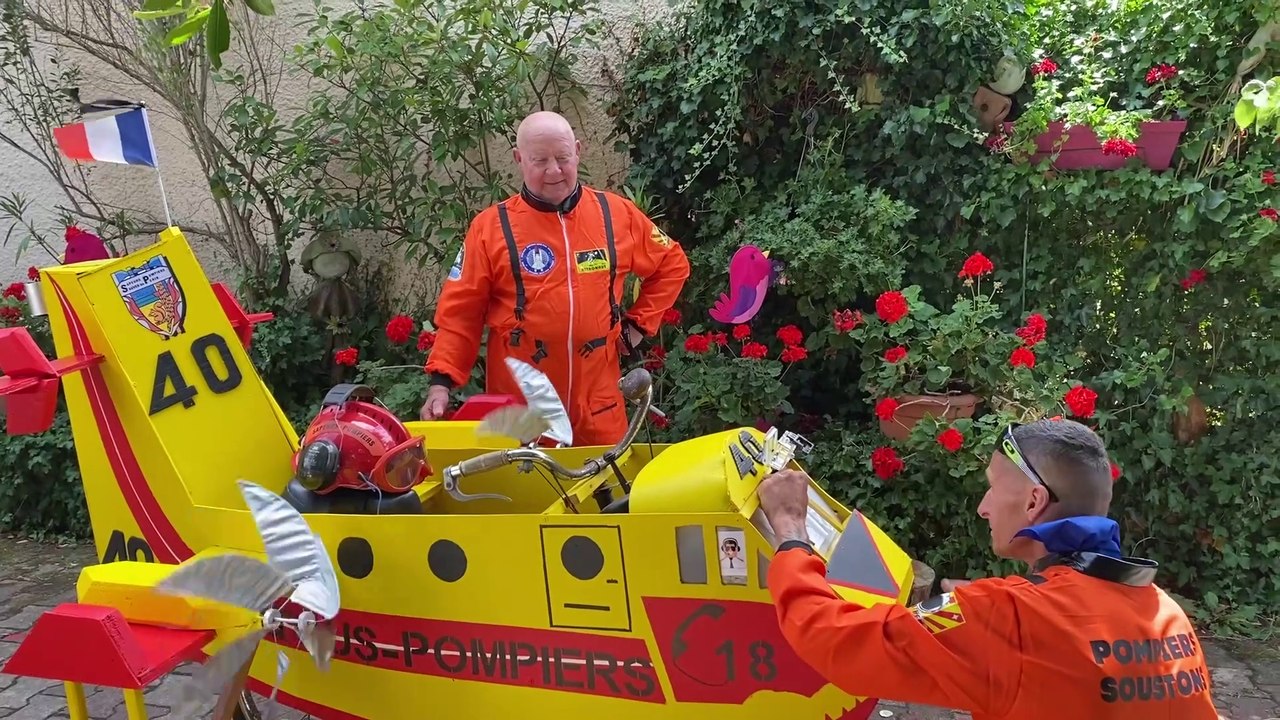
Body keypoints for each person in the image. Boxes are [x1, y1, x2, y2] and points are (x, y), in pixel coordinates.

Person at [756, 418, 1218, 719]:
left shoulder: (1007, 616)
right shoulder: (1165, 614)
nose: (983, 507)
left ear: (1034, 501)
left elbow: (832, 639)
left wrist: (791, 529)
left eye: (993, 487)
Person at [420, 111, 690, 445]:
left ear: (577, 151)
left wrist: (637, 324)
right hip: (524, 411)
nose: (554, 171)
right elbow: (461, 313)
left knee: (608, 479)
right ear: (519, 159)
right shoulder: (490, 229)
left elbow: (672, 263)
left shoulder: (616, 214)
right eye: (540, 160)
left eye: (563, 158)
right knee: (524, 480)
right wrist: (441, 383)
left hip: (599, 408)